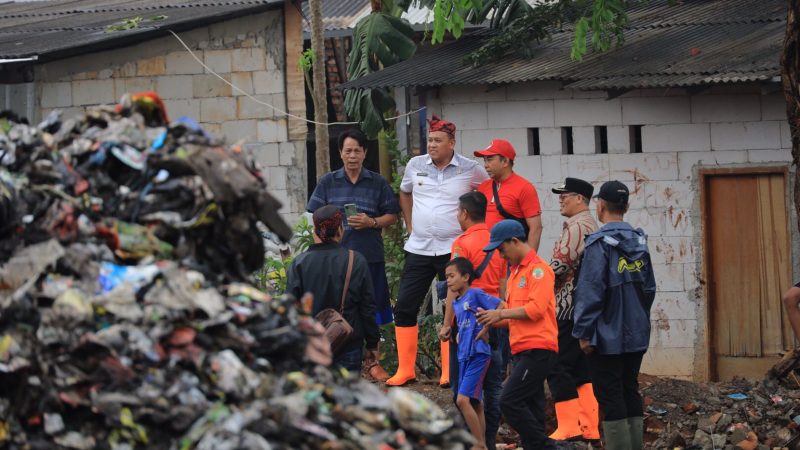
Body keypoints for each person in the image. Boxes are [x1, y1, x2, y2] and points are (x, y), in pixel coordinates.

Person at [387, 114, 488, 386]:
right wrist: (409, 225)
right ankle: (405, 369)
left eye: (438, 140)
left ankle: (448, 370)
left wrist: (477, 233)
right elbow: (405, 192)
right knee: (406, 305)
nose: (431, 145)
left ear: (452, 143)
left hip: (453, 250)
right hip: (419, 247)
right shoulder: (415, 165)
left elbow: (486, 198)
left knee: (453, 306)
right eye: (429, 140)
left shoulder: (470, 169)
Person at [307, 129, 400, 380]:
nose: (352, 155)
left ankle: (373, 362)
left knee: (372, 309)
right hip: (337, 260)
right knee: (336, 309)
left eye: (357, 150)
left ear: (364, 152)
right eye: (347, 151)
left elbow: (392, 214)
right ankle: (334, 358)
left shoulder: (377, 182)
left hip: (369, 256)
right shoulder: (328, 181)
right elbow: (313, 216)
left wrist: (371, 222)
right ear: (340, 153)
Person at [572, 181, 656, 450]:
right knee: (629, 388)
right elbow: (649, 288)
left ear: (600, 205)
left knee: (609, 394)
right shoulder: (640, 242)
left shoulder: (598, 244)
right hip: (636, 331)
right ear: (627, 207)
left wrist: (584, 332)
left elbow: (590, 292)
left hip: (605, 336)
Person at [476, 220, 559, 450]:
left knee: (508, 400)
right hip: (521, 350)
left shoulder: (539, 270)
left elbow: (535, 310)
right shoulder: (515, 274)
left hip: (538, 349)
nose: (501, 256)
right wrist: (492, 320)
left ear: (515, 241)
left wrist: (498, 314)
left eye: (502, 250)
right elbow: (513, 315)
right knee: (533, 409)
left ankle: (549, 447)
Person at [438, 192, 507, 449]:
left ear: (465, 213)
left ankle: (473, 442)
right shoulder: (496, 241)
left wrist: (447, 325)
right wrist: (500, 318)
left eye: (458, 212)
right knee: (493, 386)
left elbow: (452, 289)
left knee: (463, 391)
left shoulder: (462, 242)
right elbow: (503, 286)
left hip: (468, 324)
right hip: (494, 319)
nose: (457, 216)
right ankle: (487, 441)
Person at [286, 205, 380, 372]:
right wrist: (372, 344)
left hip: (312, 346)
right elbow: (367, 307)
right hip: (348, 344)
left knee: (316, 396)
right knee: (347, 395)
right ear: (340, 229)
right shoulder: (355, 260)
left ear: (315, 230)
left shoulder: (299, 263)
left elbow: (290, 309)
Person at [546, 178, 601, 442]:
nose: (560, 199)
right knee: (581, 370)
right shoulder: (589, 224)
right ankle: (589, 427)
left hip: (567, 307)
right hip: (580, 308)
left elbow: (560, 265)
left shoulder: (579, 227)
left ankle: (569, 426)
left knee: (558, 365)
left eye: (565, 195)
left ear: (579, 198)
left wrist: (538, 279)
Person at [445, 257, 501, 450]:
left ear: (466, 277)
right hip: (463, 355)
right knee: (476, 402)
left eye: (452, 276)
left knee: (462, 399)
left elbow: (501, 306)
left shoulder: (476, 293)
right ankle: (482, 443)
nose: (449, 281)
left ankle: (479, 444)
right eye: (447, 277)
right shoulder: (457, 303)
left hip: (479, 353)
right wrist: (457, 333)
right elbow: (464, 324)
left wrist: (487, 327)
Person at [474, 139, 543, 250]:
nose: (486, 165)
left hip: (510, 256)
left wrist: (529, 261)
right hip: (486, 255)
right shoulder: (483, 187)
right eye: (485, 160)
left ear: (505, 161)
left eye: (490, 160)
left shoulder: (524, 187)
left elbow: (536, 227)